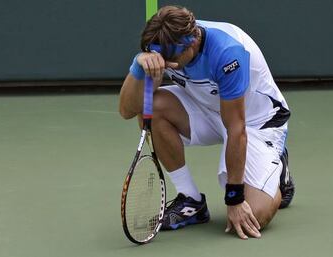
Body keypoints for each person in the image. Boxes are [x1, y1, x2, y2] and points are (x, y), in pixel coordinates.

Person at [119, 5, 295, 240]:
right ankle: (190, 201)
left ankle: (278, 175)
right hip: (205, 106)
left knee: (255, 214)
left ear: (191, 43)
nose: (167, 64)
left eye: (172, 60)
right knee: (151, 107)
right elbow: (127, 110)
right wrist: (139, 65)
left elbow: (236, 129)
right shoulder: (166, 43)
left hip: (254, 123)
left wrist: (235, 198)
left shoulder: (227, 52)